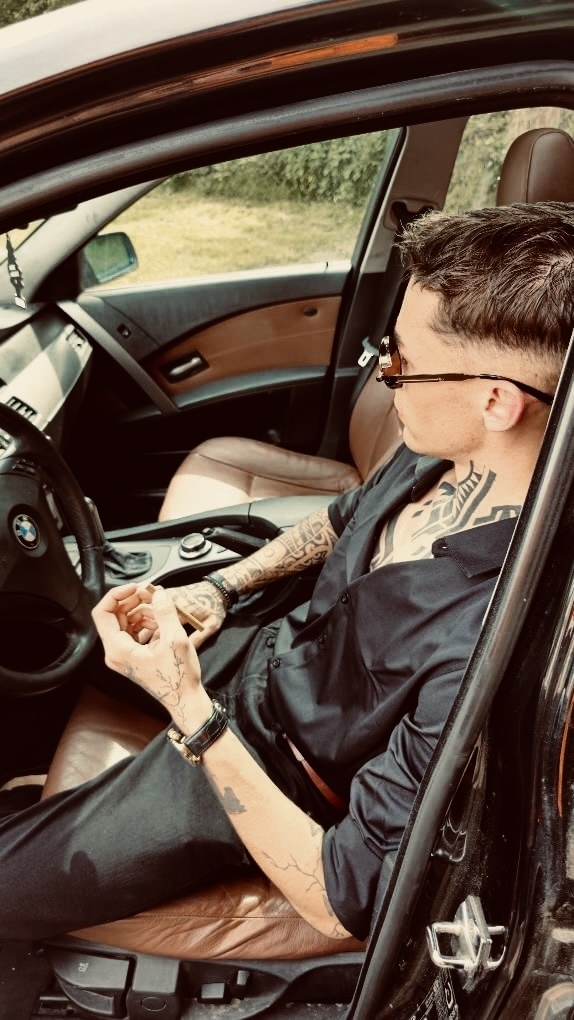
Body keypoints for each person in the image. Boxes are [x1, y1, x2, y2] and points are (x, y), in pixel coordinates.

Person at [0, 200, 571, 945]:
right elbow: (339, 521)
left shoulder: (487, 635)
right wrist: (220, 588)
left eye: (399, 360)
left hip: (270, 765)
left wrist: (189, 708)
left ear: (496, 401)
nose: (384, 373)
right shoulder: (439, 449)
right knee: (58, 625)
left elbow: (340, 896)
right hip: (268, 648)